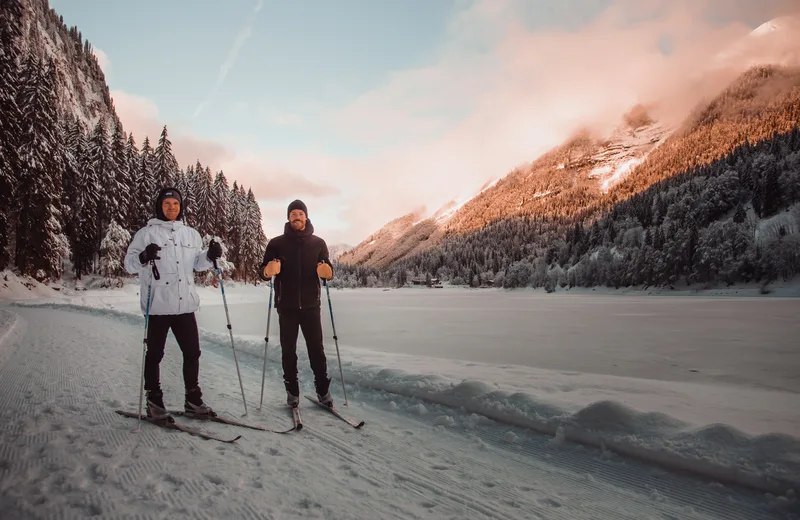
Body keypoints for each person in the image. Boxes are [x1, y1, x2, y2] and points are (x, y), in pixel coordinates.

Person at [124, 187, 223, 420]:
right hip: (158, 306)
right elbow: (128, 265)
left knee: (192, 353)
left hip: (185, 306)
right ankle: (154, 401)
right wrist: (143, 257)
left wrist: (209, 256)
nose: (171, 208)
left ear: (181, 207)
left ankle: (193, 400)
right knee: (155, 354)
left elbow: (196, 265)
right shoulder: (145, 234)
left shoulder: (191, 234)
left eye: (176, 204)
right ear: (160, 206)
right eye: (167, 204)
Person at [259, 199, 334, 408]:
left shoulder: (318, 243)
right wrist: (268, 270)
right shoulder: (276, 243)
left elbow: (327, 268)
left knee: (316, 351)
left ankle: (323, 390)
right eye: (293, 214)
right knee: (288, 351)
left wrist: (327, 271)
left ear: (306, 216)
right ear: (288, 217)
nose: (297, 217)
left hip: (311, 306)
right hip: (287, 307)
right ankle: (292, 392)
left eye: (300, 214)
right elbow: (262, 271)